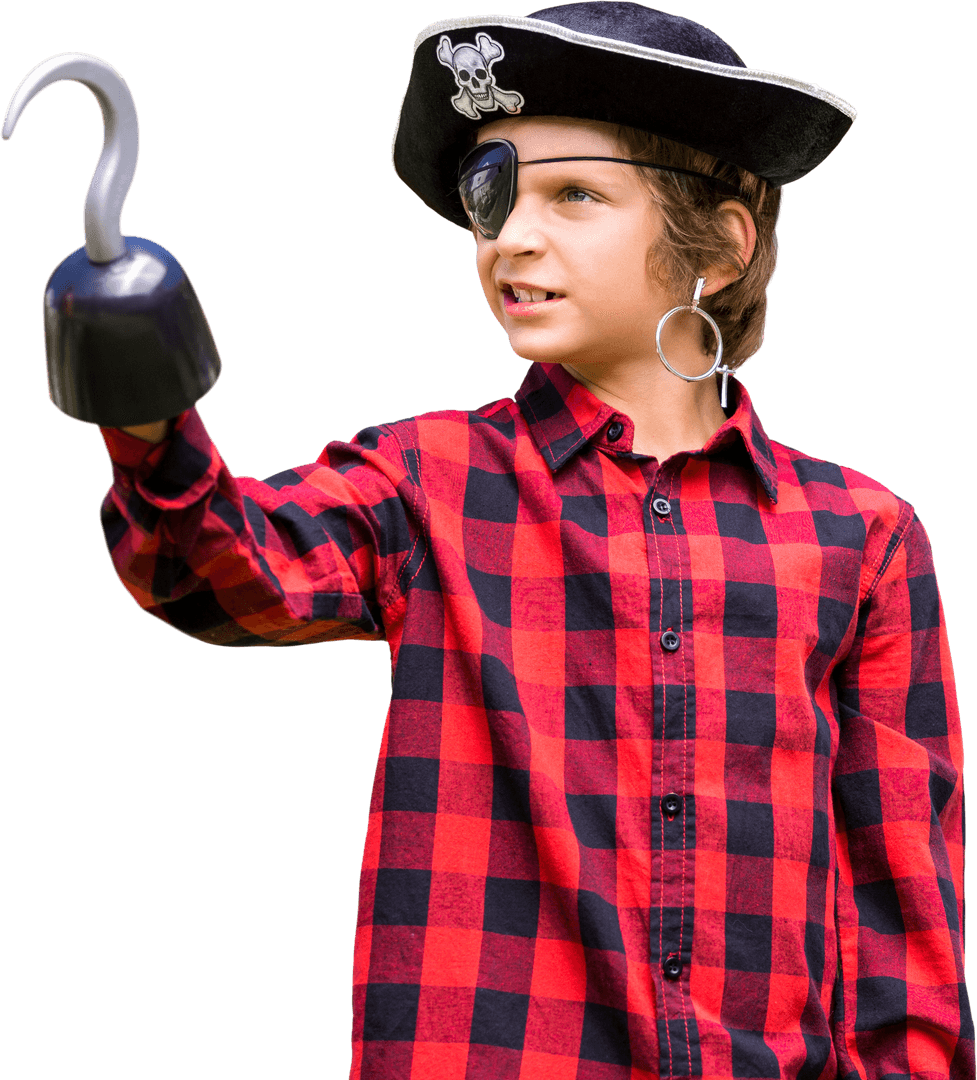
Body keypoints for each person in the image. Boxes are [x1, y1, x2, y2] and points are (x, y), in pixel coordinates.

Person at [100, 4, 971, 1077]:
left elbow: (904, 916)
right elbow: (217, 567)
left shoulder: (861, 537)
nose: (510, 235)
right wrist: (142, 399)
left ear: (716, 246)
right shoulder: (428, 484)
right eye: (491, 195)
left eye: (574, 194)